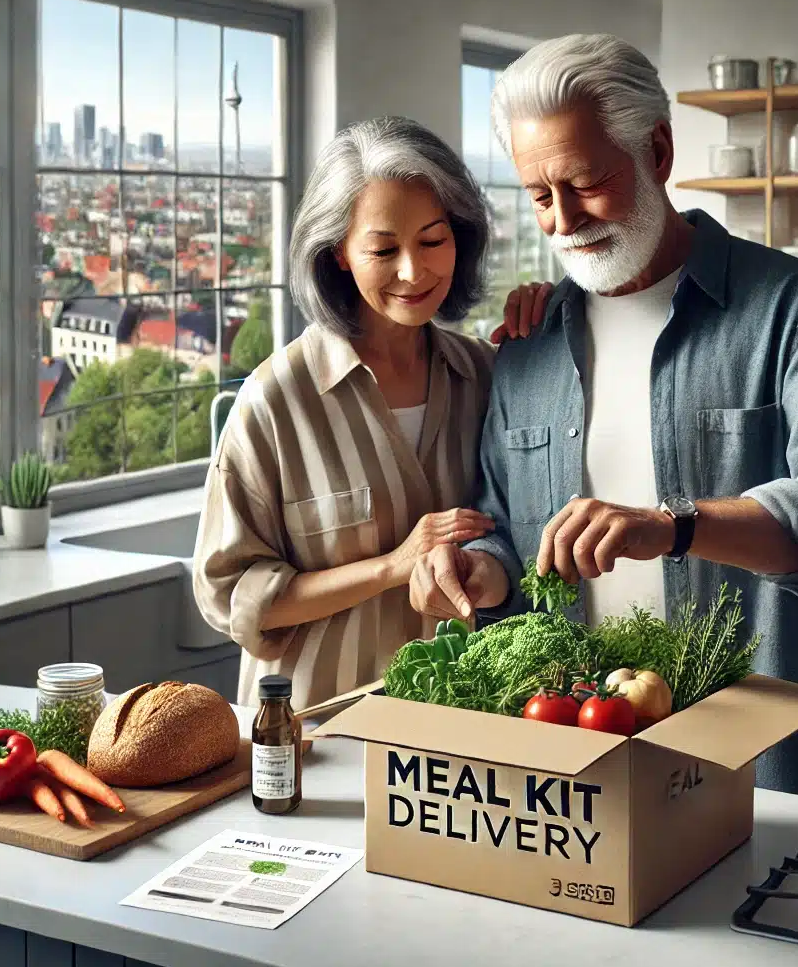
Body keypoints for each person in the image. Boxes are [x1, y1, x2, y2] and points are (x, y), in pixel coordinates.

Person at [409, 35, 798, 801]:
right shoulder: (528, 346)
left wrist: (673, 525)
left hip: (754, 770)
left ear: (658, 151)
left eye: (586, 183)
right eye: (539, 196)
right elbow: (504, 523)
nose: (564, 220)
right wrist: (480, 569)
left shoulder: (787, 305)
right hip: (569, 766)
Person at [193, 116, 551, 708]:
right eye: (384, 249)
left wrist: (551, 322)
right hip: (317, 741)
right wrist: (390, 567)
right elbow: (233, 598)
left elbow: (528, 529)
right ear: (338, 254)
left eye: (433, 241)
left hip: (463, 744)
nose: (414, 271)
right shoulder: (275, 401)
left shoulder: (489, 377)